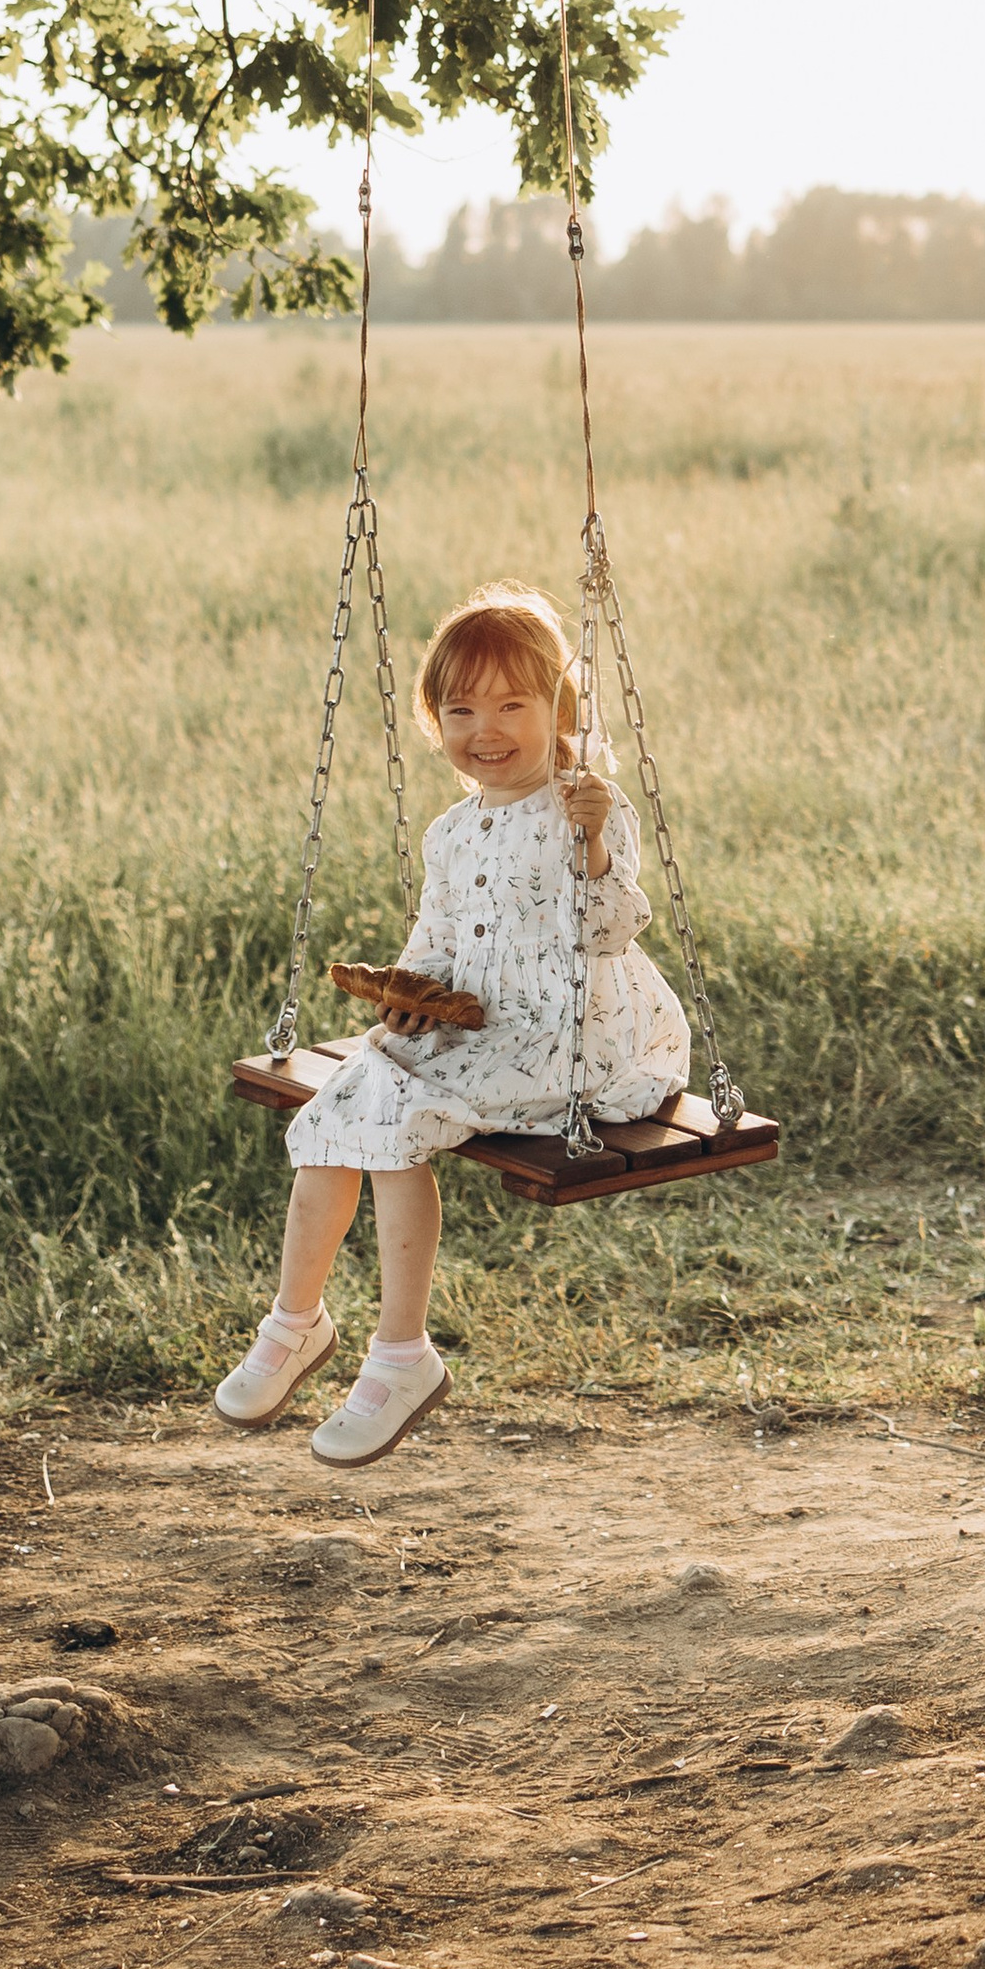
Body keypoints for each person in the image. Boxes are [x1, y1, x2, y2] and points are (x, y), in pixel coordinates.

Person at [215, 581, 690, 1469]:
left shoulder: (588, 806)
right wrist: (411, 992)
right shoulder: (450, 831)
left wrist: (589, 844)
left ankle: (401, 1354)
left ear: (560, 710)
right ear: (436, 721)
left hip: (569, 1033)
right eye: (462, 707)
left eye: (513, 703)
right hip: (477, 1022)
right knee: (338, 1107)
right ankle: (296, 1321)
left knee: (396, 1116)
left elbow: (609, 931)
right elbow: (433, 939)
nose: (488, 727)